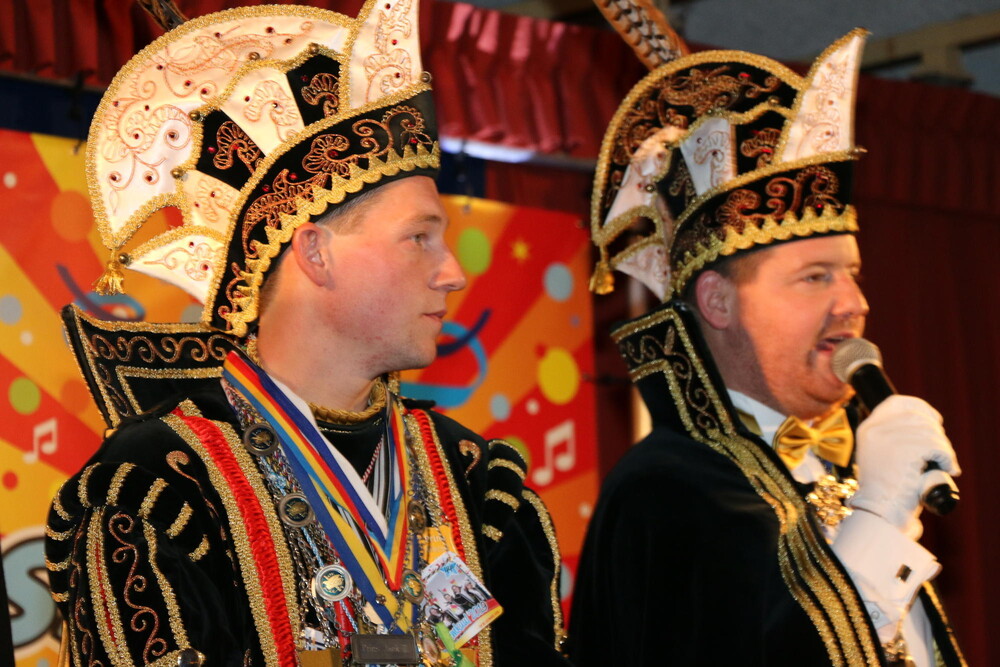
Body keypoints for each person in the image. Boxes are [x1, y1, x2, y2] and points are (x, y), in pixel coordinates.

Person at [43, 2, 566, 665]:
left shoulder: (478, 483)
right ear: (315, 253)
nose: (453, 273)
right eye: (419, 238)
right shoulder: (160, 492)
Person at [568, 12, 965, 667]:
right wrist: (876, 519)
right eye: (815, 277)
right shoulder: (663, 495)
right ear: (718, 302)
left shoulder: (849, 470)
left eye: (852, 274)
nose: (854, 303)